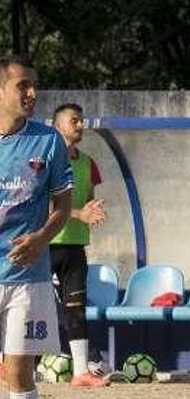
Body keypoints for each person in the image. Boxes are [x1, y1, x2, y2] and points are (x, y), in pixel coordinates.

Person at [0, 57, 74, 399]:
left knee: (19, 371)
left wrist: (42, 237)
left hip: (28, 277)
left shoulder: (49, 140)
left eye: (34, 85)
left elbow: (63, 206)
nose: (32, 93)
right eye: (22, 86)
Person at [47, 103, 110, 387]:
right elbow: (42, 205)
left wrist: (92, 210)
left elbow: (86, 202)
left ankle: (81, 372)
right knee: (24, 307)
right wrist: (79, 213)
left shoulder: (88, 163)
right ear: (58, 125)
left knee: (76, 308)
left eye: (82, 120)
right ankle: (6, 363)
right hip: (45, 245)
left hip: (75, 248)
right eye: (74, 120)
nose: (81, 125)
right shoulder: (45, 160)